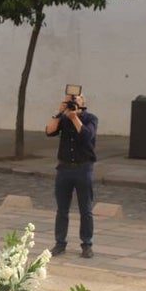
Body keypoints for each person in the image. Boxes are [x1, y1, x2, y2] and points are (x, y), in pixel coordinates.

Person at [45, 90, 98, 258]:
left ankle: (87, 244)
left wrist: (75, 117)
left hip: (84, 168)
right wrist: (59, 113)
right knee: (62, 209)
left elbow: (87, 136)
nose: (73, 101)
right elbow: (49, 131)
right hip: (64, 169)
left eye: (76, 98)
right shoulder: (63, 118)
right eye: (70, 99)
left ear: (83, 101)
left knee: (86, 210)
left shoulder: (90, 119)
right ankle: (60, 243)